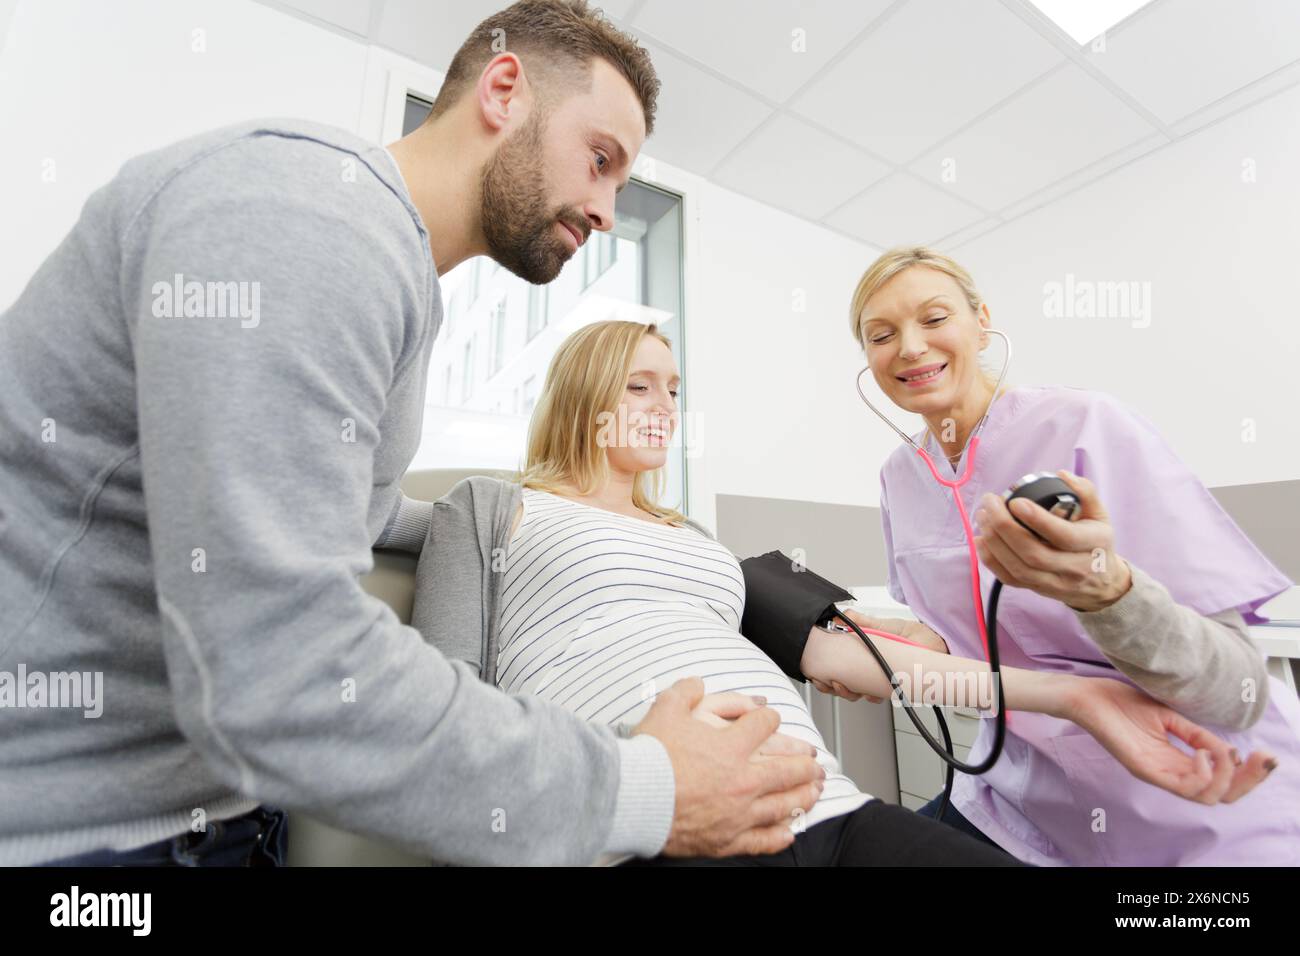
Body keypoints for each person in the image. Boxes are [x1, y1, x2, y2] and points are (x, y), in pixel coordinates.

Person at [0, 0, 825, 867]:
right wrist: (645, 788)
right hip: (80, 842)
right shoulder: (308, 218)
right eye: (599, 159)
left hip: (225, 817)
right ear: (504, 89)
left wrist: (530, 520)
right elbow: (285, 673)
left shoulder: (396, 281)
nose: (608, 209)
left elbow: (360, 508)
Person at [411, 319, 1271, 866]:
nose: (665, 406)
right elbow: (444, 708)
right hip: (655, 814)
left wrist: (1076, 696)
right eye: (639, 385)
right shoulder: (490, 506)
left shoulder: (708, 550)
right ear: (581, 395)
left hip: (832, 811)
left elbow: (861, 664)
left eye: (675, 389)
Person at [810, 246, 1299, 865]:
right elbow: (964, 642)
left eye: (934, 319)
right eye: (881, 335)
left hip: (1193, 798)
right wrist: (882, 643)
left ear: (981, 320)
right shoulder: (898, 478)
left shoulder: (1086, 426)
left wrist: (1110, 595)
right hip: (1015, 798)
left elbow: (1239, 687)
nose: (908, 347)